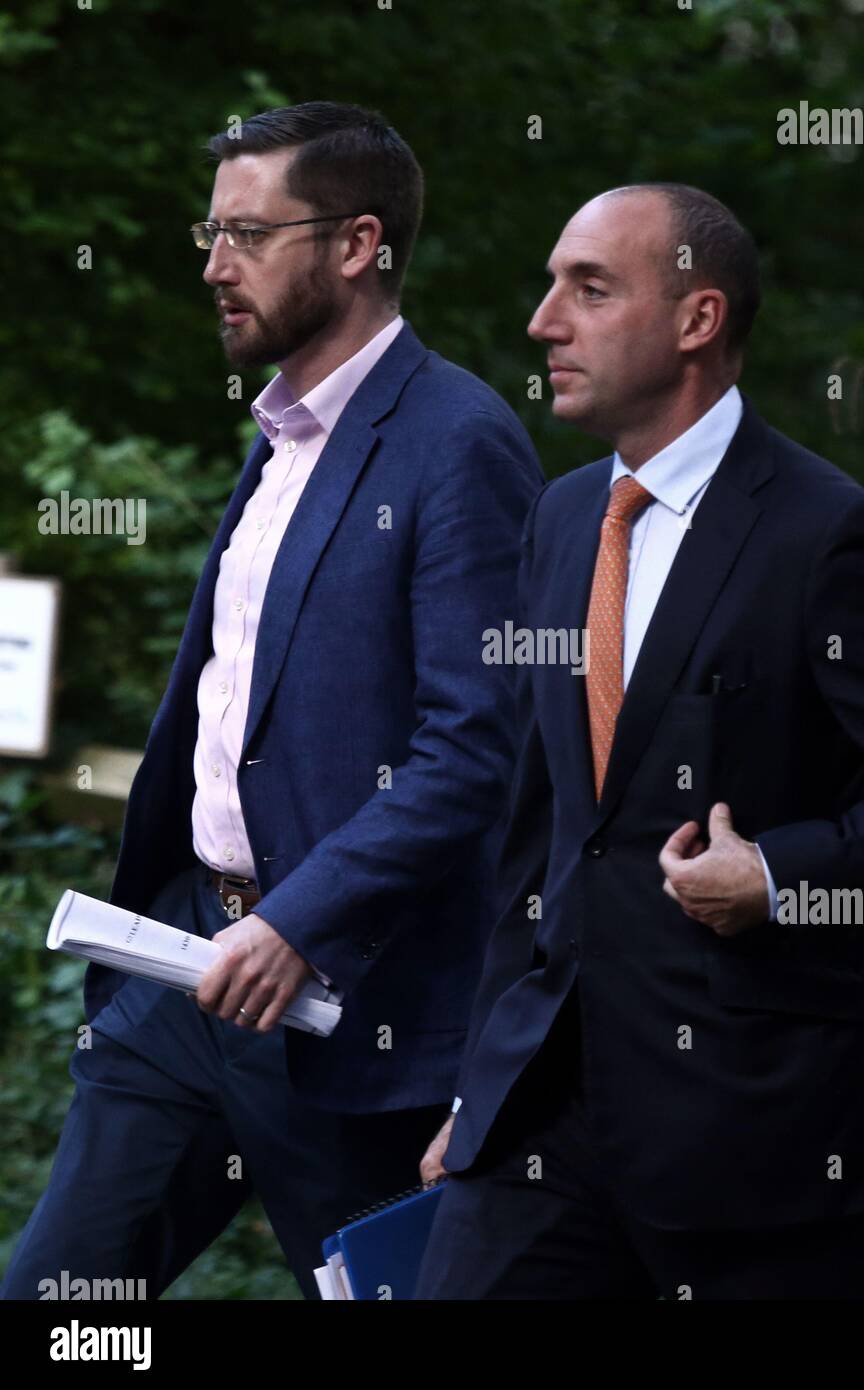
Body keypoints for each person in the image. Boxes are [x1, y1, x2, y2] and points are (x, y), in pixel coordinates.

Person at [414, 183, 864, 1300]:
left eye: (589, 289)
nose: (541, 321)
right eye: (552, 284)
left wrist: (779, 874)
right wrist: (481, 1085)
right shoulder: (561, 518)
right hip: (541, 1116)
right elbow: (544, 824)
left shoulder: (830, 534)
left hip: (769, 1129)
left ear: (697, 319)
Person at [2, 102, 541, 1300]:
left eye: (247, 234)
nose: (212, 264)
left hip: (360, 1009)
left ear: (356, 245)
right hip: (186, 971)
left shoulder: (459, 444)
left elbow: (474, 750)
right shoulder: (281, 433)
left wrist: (299, 919)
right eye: (211, 230)